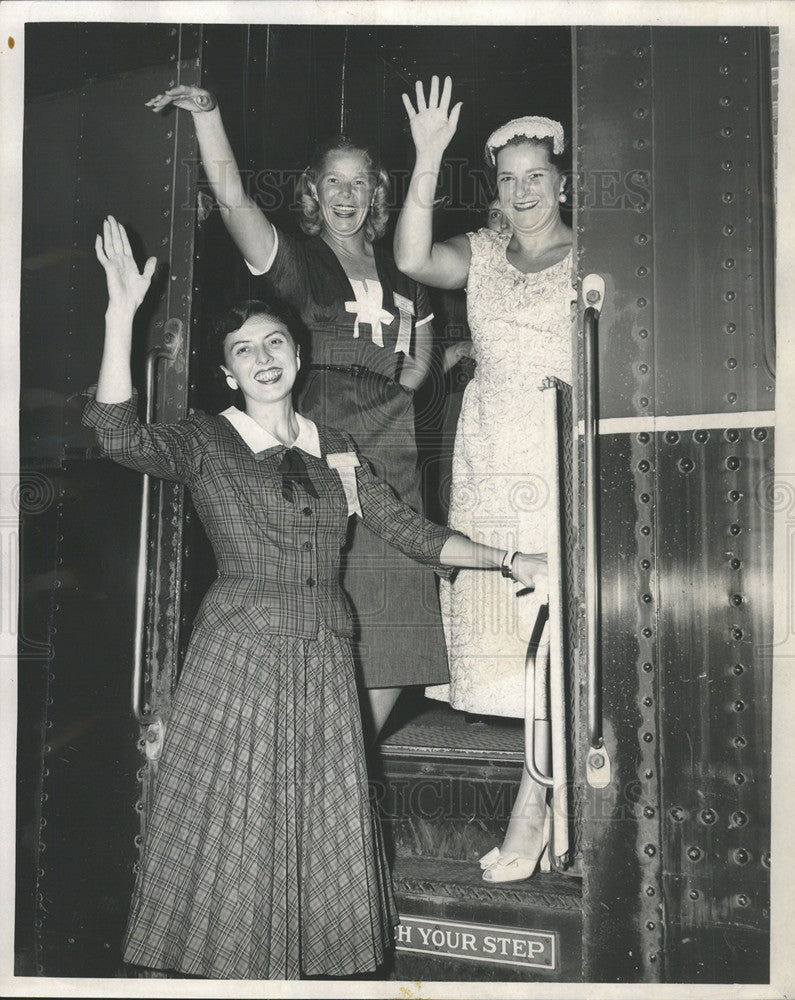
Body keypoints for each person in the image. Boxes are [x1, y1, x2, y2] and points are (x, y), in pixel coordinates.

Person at [85, 216, 549, 979]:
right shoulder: (207, 440)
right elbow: (116, 434)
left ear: (297, 357)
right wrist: (119, 315)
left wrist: (507, 557)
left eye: (274, 344)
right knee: (240, 831)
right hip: (240, 655)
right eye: (244, 351)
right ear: (228, 374)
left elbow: (411, 532)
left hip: (327, 658)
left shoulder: (337, 449)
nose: (263, 359)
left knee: (314, 830)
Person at [145, 84, 444, 739]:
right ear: (313, 192)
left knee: (400, 625)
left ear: (376, 194)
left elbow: (421, 358)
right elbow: (233, 200)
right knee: (327, 617)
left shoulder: (407, 268)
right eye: (332, 182)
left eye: (359, 183)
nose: (345, 195)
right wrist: (210, 115)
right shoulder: (298, 262)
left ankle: (347, 756)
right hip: (321, 461)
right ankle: (320, 757)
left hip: (392, 458)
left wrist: (404, 379)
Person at [394, 77, 575, 883]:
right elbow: (408, 257)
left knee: (564, 641)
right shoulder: (483, 252)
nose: (523, 191)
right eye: (508, 179)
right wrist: (429, 153)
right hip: (489, 460)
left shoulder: (596, 254)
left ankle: (533, 815)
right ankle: (550, 805)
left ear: (563, 182)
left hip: (559, 455)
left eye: (537, 176)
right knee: (521, 649)